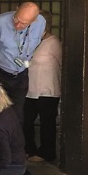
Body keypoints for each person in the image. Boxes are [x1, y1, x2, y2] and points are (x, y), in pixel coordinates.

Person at [0, 1, 45, 175]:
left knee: (17, 118)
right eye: (16, 19)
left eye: (24, 24)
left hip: (20, 74)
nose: (17, 25)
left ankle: (17, 164)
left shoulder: (41, 23)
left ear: (34, 21)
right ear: (16, 9)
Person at [23, 11, 62, 162]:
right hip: (30, 89)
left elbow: (62, 64)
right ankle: (29, 149)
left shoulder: (54, 43)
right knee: (26, 120)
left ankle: (47, 152)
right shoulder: (32, 41)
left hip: (48, 90)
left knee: (47, 123)